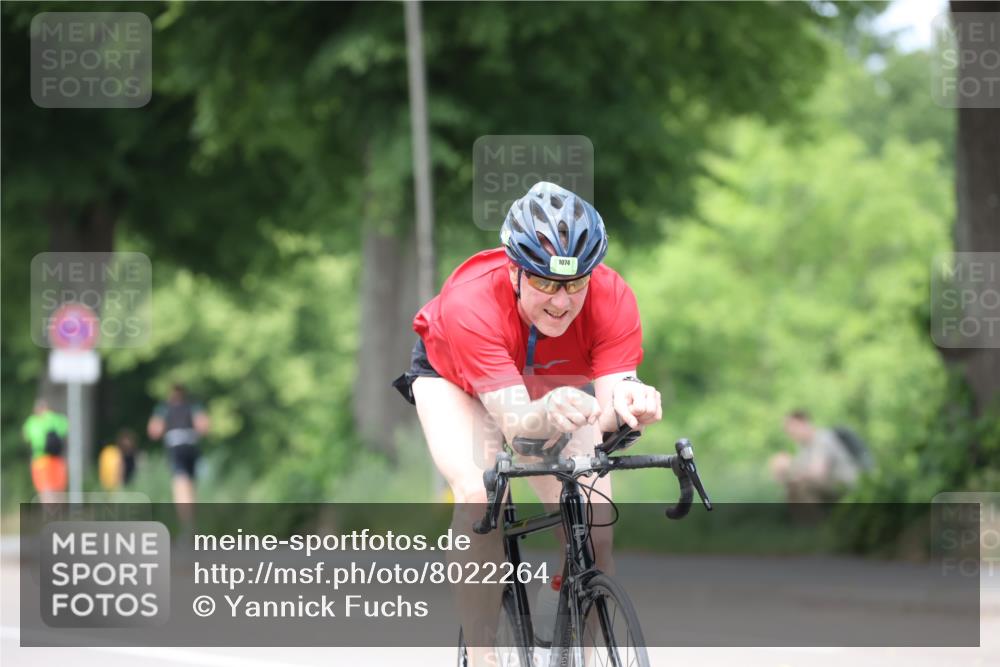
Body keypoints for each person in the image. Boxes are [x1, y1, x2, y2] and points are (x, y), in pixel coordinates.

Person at [392, 181, 662, 666]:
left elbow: (610, 404)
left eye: (575, 283)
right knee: (480, 496)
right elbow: (521, 433)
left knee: (594, 526)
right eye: (544, 283)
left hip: (549, 383)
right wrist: (549, 409)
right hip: (455, 377)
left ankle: (571, 640)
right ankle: (483, 656)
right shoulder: (471, 301)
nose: (561, 301)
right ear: (515, 270)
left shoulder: (613, 297)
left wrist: (632, 402)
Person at [147, 384, 210, 520]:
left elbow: (153, 431)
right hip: (192, 447)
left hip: (176, 449)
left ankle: (187, 524)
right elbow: (204, 427)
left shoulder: (163, 408)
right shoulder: (193, 406)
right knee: (190, 486)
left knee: (181, 485)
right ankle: (192, 522)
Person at [770, 410, 861, 503]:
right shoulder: (804, 447)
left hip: (843, 487)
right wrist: (784, 473)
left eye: (792, 428)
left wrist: (790, 469)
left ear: (803, 423)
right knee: (790, 490)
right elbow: (799, 473)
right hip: (829, 487)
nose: (790, 433)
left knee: (802, 487)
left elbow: (818, 474)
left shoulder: (822, 439)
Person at [22, 398, 69, 503]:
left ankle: (49, 512)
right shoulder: (55, 418)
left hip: (40, 459)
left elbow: (26, 437)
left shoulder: (32, 422)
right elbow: (66, 428)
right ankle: (60, 512)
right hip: (57, 459)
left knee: (45, 488)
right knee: (59, 488)